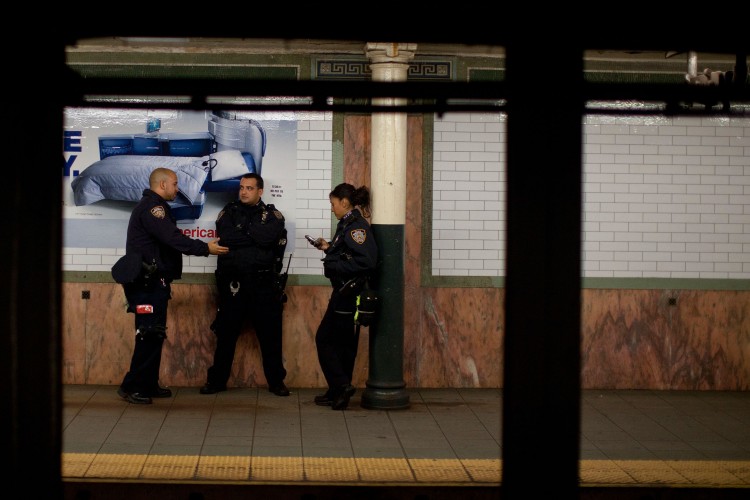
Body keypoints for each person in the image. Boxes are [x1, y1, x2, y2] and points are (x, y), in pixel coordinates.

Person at [116, 167, 229, 405]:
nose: (178, 189)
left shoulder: (156, 207)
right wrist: (204, 248)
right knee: (148, 334)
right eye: (175, 184)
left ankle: (146, 384)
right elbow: (172, 239)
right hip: (146, 285)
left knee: (154, 335)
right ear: (163, 184)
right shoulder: (153, 209)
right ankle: (133, 386)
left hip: (154, 283)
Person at [200, 173, 290, 397]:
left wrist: (243, 232)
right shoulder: (228, 212)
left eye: (249, 188)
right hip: (234, 286)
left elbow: (269, 238)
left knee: (270, 337)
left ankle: (276, 382)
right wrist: (253, 236)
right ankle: (217, 381)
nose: (243, 192)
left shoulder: (273, 215)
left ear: (260, 191)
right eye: (242, 188)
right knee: (226, 335)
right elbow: (226, 237)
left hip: (263, 285)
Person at [308, 183, 378, 410]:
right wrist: (329, 248)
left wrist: (334, 262)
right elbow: (349, 253)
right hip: (343, 292)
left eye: (333, 203)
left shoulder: (356, 227)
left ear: (344, 202)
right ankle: (338, 391)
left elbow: (366, 261)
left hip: (348, 294)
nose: (332, 208)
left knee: (325, 339)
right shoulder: (347, 224)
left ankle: (341, 385)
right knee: (342, 344)